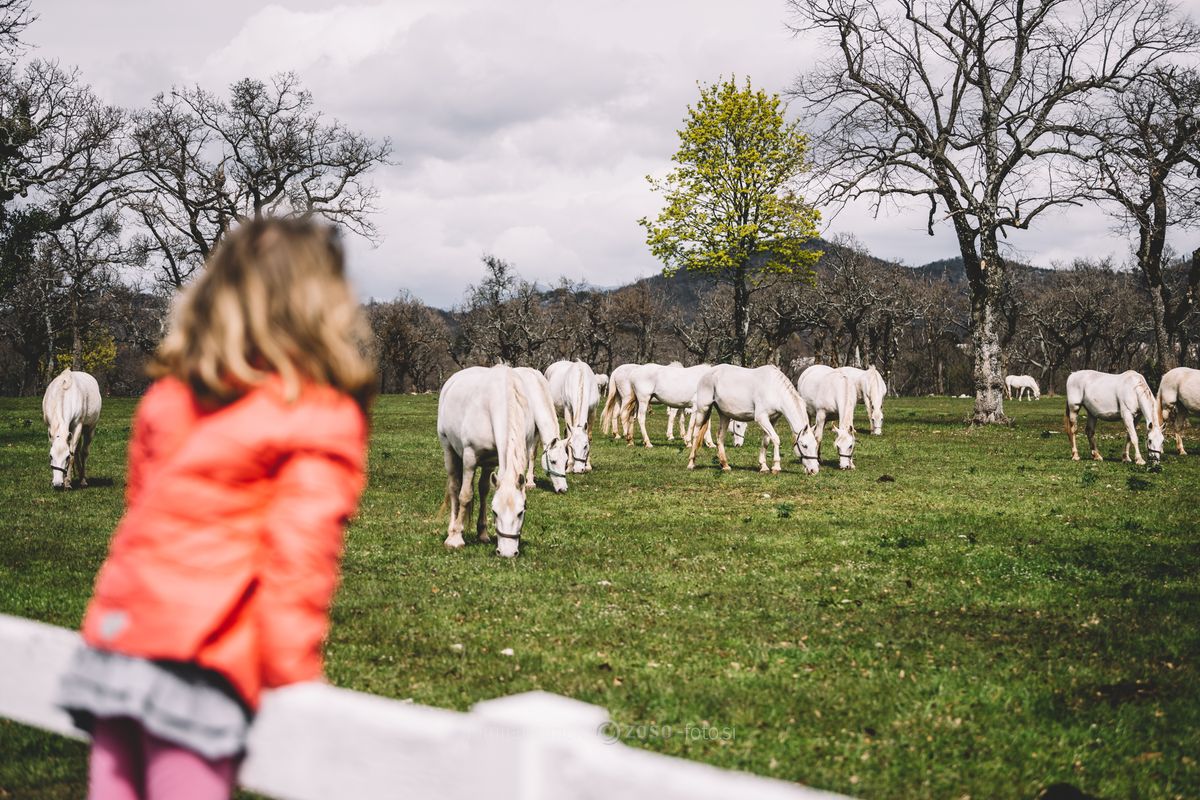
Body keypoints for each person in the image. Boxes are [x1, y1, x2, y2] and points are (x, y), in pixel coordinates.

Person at [57, 217, 377, 800]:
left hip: (115, 641)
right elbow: (298, 559)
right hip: (200, 661)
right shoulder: (318, 416)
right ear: (321, 305)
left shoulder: (171, 397)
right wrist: (291, 677)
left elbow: (142, 514)